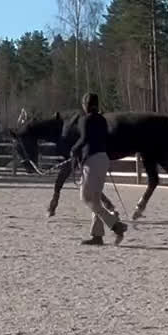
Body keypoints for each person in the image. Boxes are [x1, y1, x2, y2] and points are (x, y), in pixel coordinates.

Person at [70, 92, 128, 246]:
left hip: (92, 160)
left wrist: (74, 150)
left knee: (85, 197)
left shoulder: (84, 120)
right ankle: (97, 236)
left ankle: (115, 225)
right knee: (95, 200)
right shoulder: (102, 119)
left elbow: (84, 139)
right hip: (103, 158)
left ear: (85, 105)